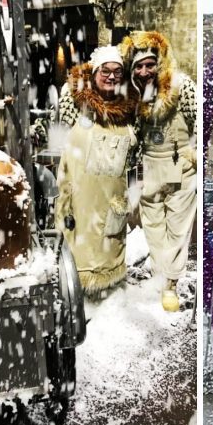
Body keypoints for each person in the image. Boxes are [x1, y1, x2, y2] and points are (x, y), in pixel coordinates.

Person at [119, 31, 197, 312]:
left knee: (177, 230)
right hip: (149, 170)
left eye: (149, 64)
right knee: (153, 230)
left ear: (159, 62)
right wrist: (130, 183)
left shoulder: (182, 85)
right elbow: (132, 145)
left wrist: (195, 153)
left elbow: (198, 120)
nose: (143, 71)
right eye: (138, 66)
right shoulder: (133, 97)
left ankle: (171, 285)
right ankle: (162, 278)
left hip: (181, 169)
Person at [55, 46, 137, 297]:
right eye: (106, 71)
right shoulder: (74, 101)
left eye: (117, 72)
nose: (111, 77)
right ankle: (78, 297)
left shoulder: (128, 111)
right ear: (94, 72)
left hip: (112, 200)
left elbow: (134, 157)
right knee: (80, 251)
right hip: (80, 198)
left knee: (109, 250)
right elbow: (58, 136)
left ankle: (109, 304)